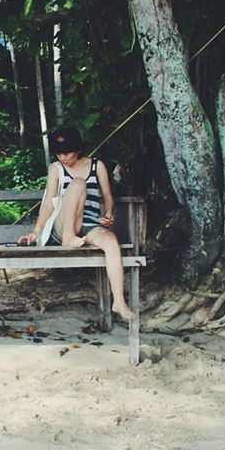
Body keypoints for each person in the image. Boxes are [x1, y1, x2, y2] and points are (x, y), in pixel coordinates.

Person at [18, 127, 134, 320]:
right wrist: (36, 230)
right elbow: (48, 202)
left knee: (111, 242)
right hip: (63, 225)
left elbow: (107, 197)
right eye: (59, 153)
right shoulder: (55, 169)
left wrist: (108, 213)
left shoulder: (97, 166)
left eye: (67, 152)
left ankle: (119, 302)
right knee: (78, 183)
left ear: (78, 149)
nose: (63, 157)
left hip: (89, 223)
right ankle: (68, 237)